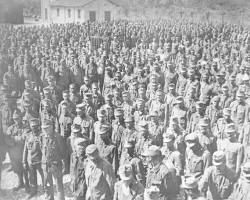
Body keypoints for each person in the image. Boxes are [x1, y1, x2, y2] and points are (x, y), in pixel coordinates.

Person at [5, 109, 29, 192]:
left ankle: (27, 184)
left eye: (18, 118)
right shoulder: (11, 128)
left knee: (25, 168)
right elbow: (7, 139)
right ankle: (20, 183)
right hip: (14, 154)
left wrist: (14, 139)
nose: (16, 120)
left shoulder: (25, 127)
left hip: (23, 152)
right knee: (17, 169)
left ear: (21, 118)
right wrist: (15, 140)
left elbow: (24, 138)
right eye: (15, 119)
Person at [41, 120, 66, 200]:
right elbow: (42, 149)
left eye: (46, 128)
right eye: (43, 128)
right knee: (47, 184)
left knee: (58, 185)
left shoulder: (58, 137)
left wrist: (61, 163)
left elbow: (63, 152)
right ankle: (49, 198)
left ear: (51, 127)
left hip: (56, 165)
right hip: (46, 165)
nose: (45, 130)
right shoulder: (42, 137)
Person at [22, 118, 44, 198]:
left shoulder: (42, 136)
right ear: (30, 127)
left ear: (38, 126)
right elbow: (25, 150)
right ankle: (33, 191)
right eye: (32, 126)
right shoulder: (28, 136)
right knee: (32, 177)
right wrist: (24, 161)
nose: (34, 128)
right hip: (30, 161)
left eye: (35, 126)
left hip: (40, 160)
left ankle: (45, 189)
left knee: (44, 175)